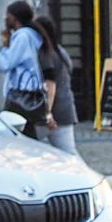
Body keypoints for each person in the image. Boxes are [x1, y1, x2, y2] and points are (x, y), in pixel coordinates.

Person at [0, 0, 45, 137]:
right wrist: (6, 45)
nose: (5, 18)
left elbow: (5, 64)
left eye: (8, 15)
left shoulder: (23, 36)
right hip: (26, 95)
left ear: (15, 17)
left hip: (21, 96)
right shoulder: (28, 35)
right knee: (25, 136)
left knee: (15, 135)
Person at [31, 12, 79, 154]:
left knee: (68, 155)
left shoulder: (45, 54)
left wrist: (47, 113)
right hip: (65, 107)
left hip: (54, 111)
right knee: (67, 153)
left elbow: (50, 85)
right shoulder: (60, 51)